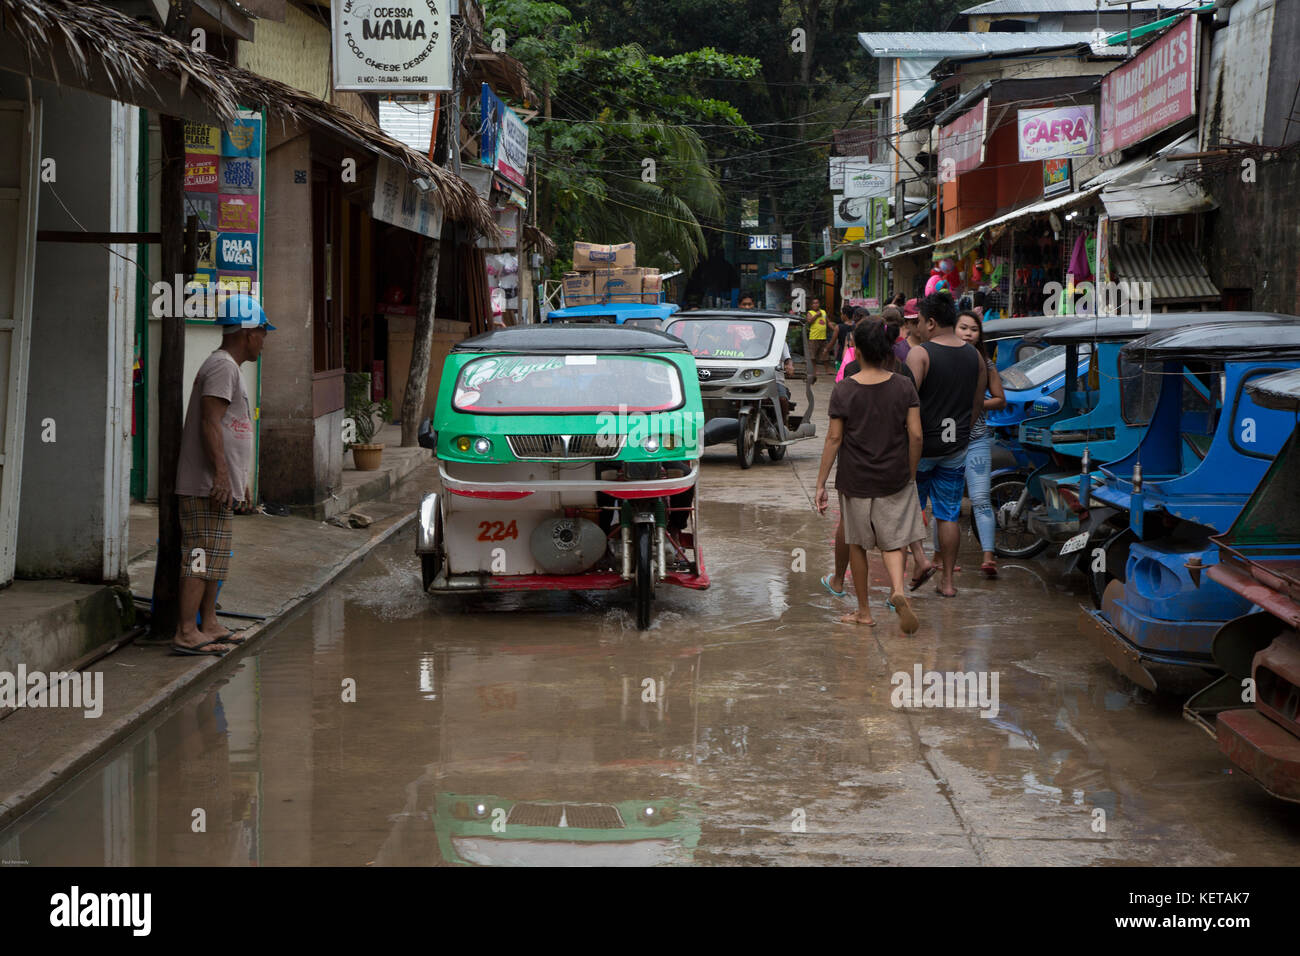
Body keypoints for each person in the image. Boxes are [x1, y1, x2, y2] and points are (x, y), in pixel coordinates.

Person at [173, 294, 275, 656]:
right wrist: (219, 475)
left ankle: (209, 623)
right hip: (203, 484)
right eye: (263, 332)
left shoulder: (230, 367)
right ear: (248, 332)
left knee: (216, 555)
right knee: (200, 554)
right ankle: (187, 631)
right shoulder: (222, 366)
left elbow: (233, 428)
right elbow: (210, 422)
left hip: (218, 483)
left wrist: (238, 479)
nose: (264, 341)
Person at [815, 321, 923, 633]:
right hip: (895, 475)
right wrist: (910, 472)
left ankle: (864, 612)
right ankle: (898, 592)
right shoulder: (904, 386)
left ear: (857, 352)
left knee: (858, 544)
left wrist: (821, 483)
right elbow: (915, 435)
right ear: (888, 350)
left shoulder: (844, 389)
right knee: (894, 540)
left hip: (855, 478)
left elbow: (834, 439)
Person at [905, 291, 986, 598]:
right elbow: (976, 403)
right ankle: (948, 583)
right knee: (948, 514)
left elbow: (907, 402)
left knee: (910, 511)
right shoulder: (974, 356)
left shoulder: (921, 354)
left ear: (932, 322)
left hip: (921, 448)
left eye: (922, 322)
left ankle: (915, 569)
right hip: (956, 448)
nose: (919, 328)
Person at [956, 308, 1007, 577]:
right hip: (948, 442)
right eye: (963, 328)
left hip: (976, 440)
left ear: (979, 335)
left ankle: (989, 556)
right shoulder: (942, 360)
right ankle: (942, 559)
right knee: (948, 503)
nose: (968, 333)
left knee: (981, 499)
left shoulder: (986, 364)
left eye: (973, 330)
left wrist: (976, 404)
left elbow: (1001, 399)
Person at [806, 297, 830, 370]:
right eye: (814, 303)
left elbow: (828, 322)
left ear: (819, 304)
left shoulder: (823, 312)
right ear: (811, 305)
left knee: (825, 354)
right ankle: (814, 370)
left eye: (817, 303)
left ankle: (827, 370)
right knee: (813, 356)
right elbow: (809, 321)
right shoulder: (810, 312)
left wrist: (835, 328)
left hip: (823, 337)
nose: (816, 304)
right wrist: (816, 315)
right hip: (814, 337)